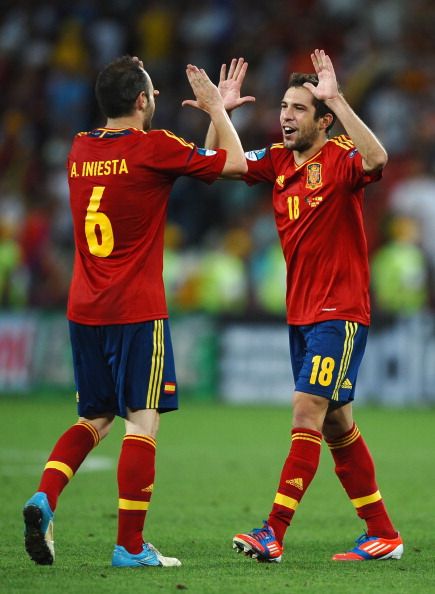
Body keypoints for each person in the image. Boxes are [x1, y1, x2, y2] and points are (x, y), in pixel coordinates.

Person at [23, 55, 247, 568]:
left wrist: (216, 116)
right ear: (143, 101)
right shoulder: (154, 147)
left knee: (93, 416)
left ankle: (44, 497)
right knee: (141, 423)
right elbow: (231, 165)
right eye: (153, 93)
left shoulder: (78, 150)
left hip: (84, 308)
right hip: (137, 311)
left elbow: (189, 164)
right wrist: (219, 109)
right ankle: (128, 547)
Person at [205, 49, 403, 562]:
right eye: (284, 108)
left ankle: (273, 530)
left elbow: (379, 159)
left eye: (298, 109)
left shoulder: (339, 158)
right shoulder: (275, 161)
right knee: (336, 422)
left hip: (340, 312)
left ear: (323, 120)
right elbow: (215, 164)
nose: (286, 117)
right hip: (302, 313)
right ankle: (382, 531)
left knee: (306, 409)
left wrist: (338, 97)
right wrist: (219, 114)